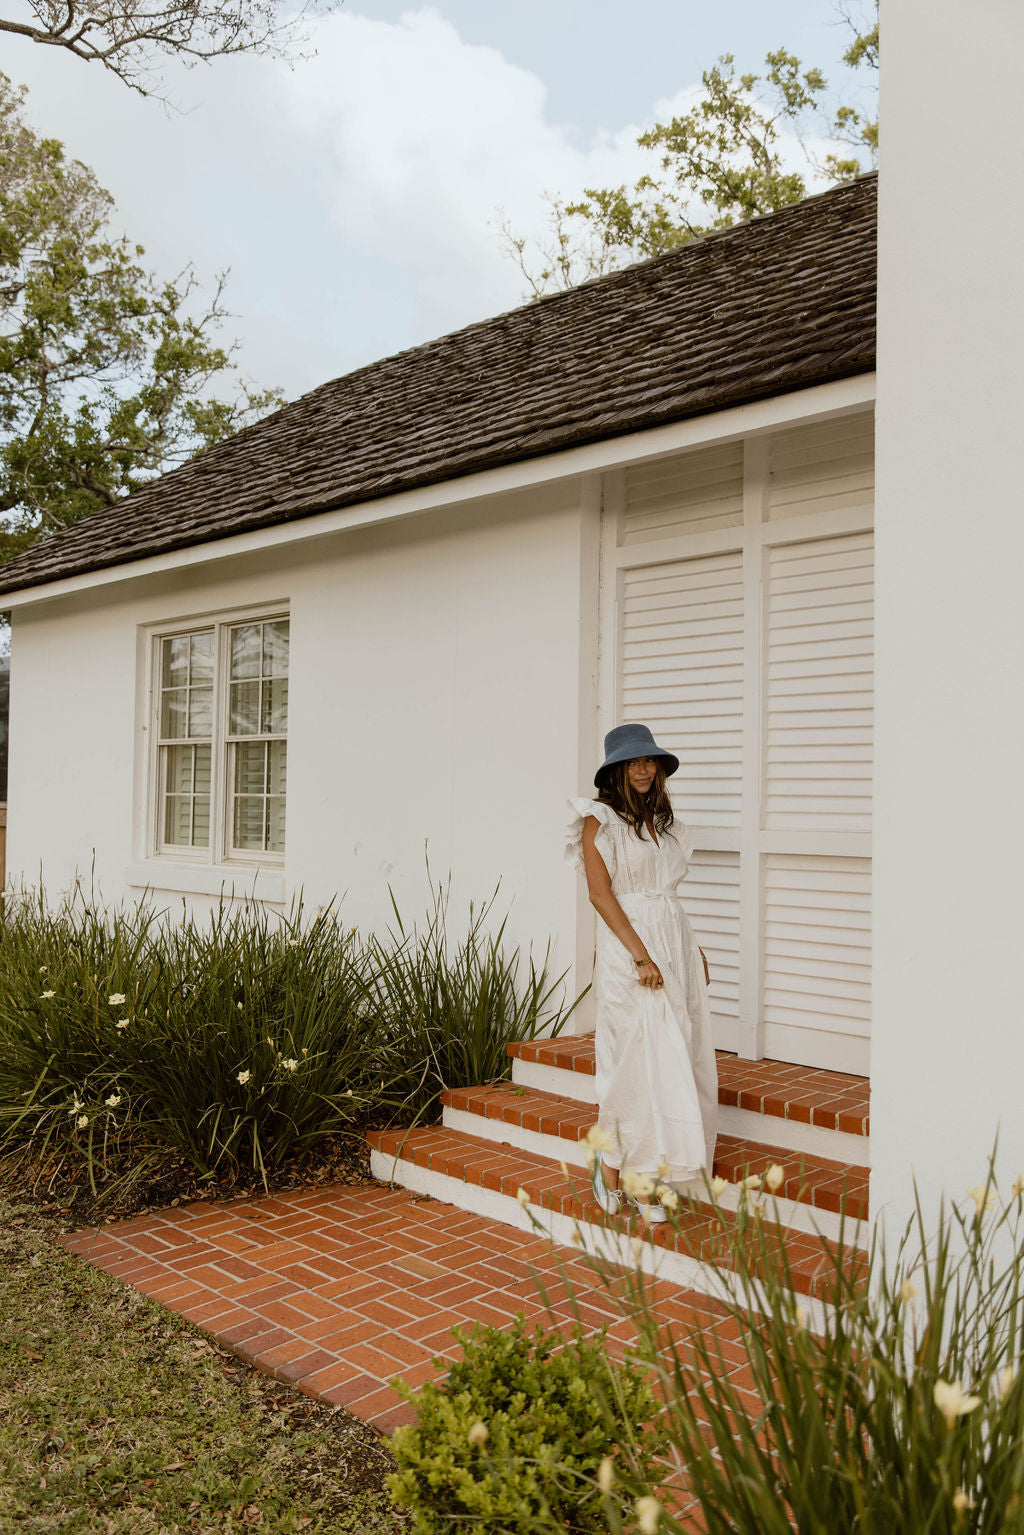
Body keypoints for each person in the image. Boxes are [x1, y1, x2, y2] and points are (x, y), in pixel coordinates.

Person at [566, 723, 718, 1222]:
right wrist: (640, 956)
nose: (643, 769)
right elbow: (600, 894)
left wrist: (692, 951)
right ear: (615, 770)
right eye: (632, 762)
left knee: (675, 1056)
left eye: (649, 760)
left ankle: (637, 1171)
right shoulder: (599, 822)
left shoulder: (664, 824)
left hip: (673, 943)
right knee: (634, 1062)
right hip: (630, 949)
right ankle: (621, 1170)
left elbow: (667, 898)